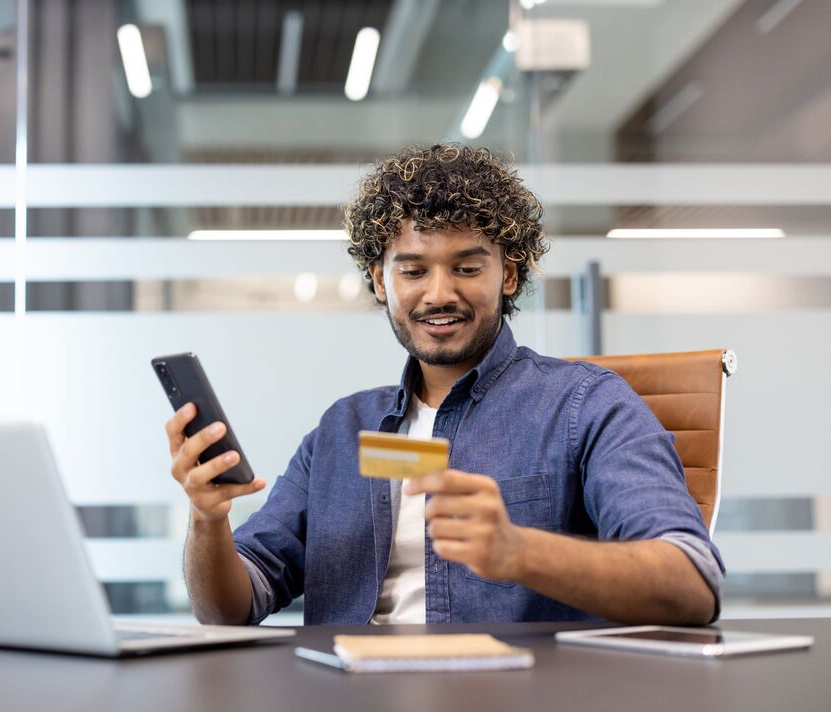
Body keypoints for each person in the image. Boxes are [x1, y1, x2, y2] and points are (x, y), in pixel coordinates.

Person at [164, 144, 723, 626]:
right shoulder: (343, 430)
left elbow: (692, 583)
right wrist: (208, 519)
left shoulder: (585, 404)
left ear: (508, 275)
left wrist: (519, 551)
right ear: (379, 283)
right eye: (412, 271)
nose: (437, 294)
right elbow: (230, 609)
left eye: (467, 267)